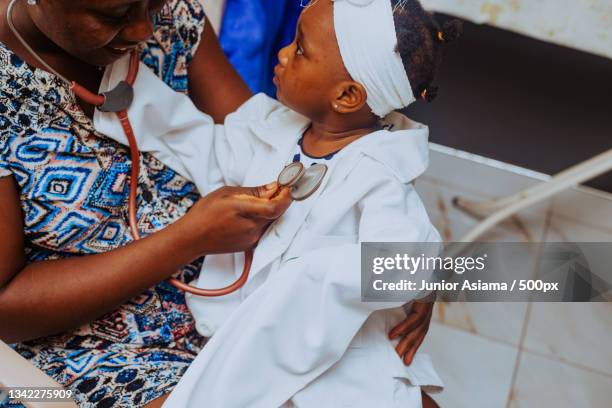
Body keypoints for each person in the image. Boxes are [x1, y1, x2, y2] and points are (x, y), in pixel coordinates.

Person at [0, 0, 435, 407]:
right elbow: (193, 136)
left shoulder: (373, 163)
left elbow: (238, 135)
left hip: (244, 322)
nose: (145, 28)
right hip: (87, 349)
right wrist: (188, 238)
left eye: (154, 2)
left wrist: (421, 274)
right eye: (115, 14)